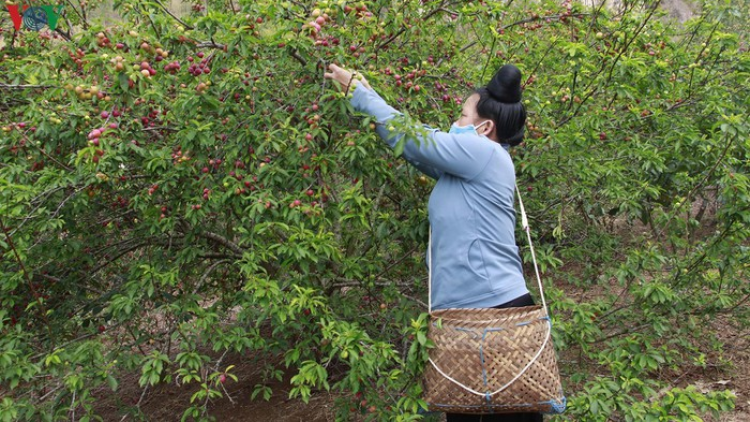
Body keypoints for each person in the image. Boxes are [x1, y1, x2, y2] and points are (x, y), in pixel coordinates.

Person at [324, 63, 541, 422]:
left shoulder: (484, 154)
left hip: (494, 310)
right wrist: (368, 97)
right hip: (463, 315)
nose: (453, 121)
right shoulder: (466, 164)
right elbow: (412, 141)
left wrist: (359, 94)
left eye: (461, 114)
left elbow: (418, 138)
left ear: (484, 127)